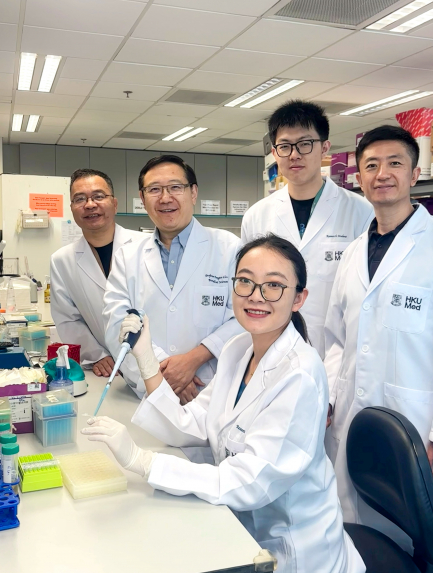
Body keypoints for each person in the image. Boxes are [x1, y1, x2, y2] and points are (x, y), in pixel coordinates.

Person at [82, 234, 365, 573]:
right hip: (239, 529)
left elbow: (250, 481)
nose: (256, 295)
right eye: (245, 281)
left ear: (298, 299)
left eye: (274, 286)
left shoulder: (300, 375)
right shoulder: (238, 350)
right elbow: (191, 423)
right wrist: (145, 359)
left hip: (295, 547)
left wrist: (143, 461)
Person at [324, 125, 433, 564]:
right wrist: (330, 395)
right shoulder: (352, 253)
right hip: (352, 420)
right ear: (358, 177)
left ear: (414, 174)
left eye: (395, 163)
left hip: (419, 426)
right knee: (363, 541)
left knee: (422, 545)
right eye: (371, 165)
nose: (382, 174)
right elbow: (336, 339)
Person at [103, 155, 242, 402]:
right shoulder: (127, 256)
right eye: (154, 189)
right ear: (142, 198)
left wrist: (193, 360)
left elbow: (243, 318)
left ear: (193, 193)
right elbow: (117, 324)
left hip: (211, 389)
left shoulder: (230, 248)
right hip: (149, 392)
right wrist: (161, 374)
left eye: (176, 187)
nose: (165, 198)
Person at [241, 100, 373, 358]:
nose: (294, 154)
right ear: (275, 153)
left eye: (305, 144)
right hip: (272, 350)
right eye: (285, 146)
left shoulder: (361, 212)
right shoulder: (256, 216)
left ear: (324, 148)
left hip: (336, 352)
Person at [51, 168, 144, 379]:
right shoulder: (62, 260)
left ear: (115, 203)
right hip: (109, 370)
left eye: (99, 196)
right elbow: (68, 319)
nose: (90, 204)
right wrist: (96, 355)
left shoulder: (146, 246)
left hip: (160, 363)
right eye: (79, 199)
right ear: (72, 209)